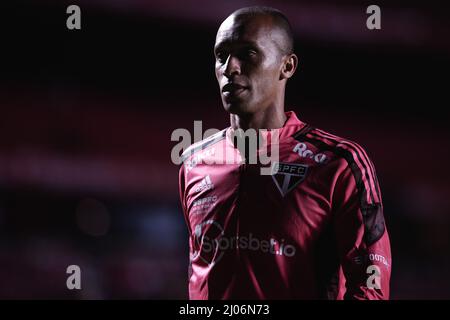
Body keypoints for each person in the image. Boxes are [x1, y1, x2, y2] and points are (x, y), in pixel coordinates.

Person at [178, 6, 391, 299]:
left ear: (287, 66)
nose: (229, 68)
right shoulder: (193, 161)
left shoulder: (340, 163)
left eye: (247, 53)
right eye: (221, 55)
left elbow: (370, 286)